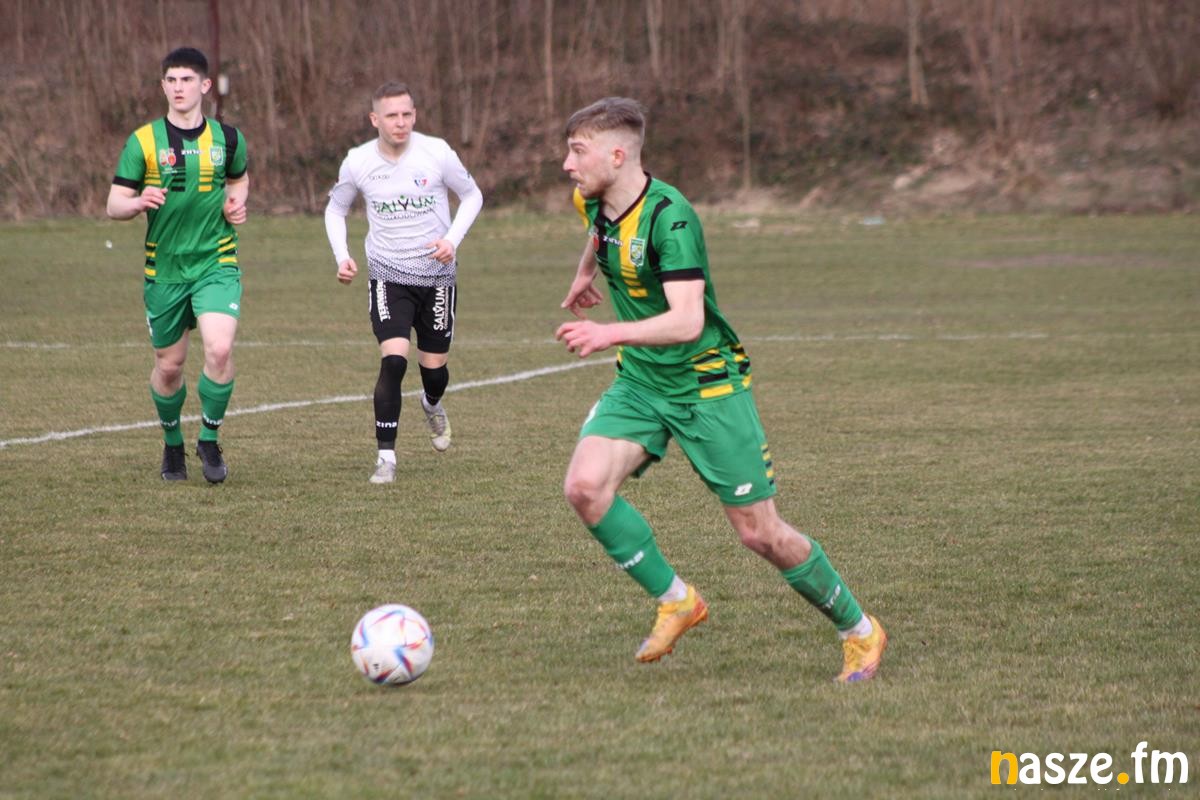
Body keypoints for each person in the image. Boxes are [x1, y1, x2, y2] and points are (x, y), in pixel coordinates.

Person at [555, 97, 886, 682]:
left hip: (706, 385)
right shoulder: (594, 198)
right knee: (584, 487)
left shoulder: (671, 219)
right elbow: (600, 229)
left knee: (760, 533)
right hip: (642, 382)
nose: (567, 164)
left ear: (617, 155)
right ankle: (678, 601)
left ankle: (860, 631)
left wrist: (608, 332)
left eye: (578, 152)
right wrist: (586, 272)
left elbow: (687, 320)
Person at [325, 82, 483, 484]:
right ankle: (386, 459)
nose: (401, 122)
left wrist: (451, 241)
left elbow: (472, 196)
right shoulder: (358, 161)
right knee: (394, 360)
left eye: (407, 114)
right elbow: (335, 209)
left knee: (434, 371)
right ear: (374, 119)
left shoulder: (437, 152)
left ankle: (431, 404)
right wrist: (342, 256)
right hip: (387, 275)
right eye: (392, 115)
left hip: (437, 276)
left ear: (415, 115)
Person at [107, 47, 249, 484]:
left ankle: (209, 438)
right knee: (169, 368)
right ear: (163, 86)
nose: (178, 88)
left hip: (216, 261)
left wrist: (236, 202)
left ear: (204, 85)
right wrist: (137, 202)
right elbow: (114, 204)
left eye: (187, 80)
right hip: (165, 270)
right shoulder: (144, 142)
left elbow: (239, 178)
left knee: (219, 350)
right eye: (171, 80)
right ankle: (172, 445)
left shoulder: (228, 139)